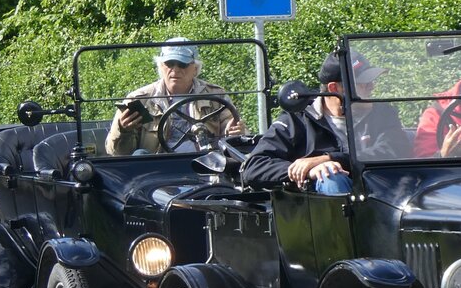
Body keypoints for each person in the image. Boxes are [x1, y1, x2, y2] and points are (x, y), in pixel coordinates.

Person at [243, 50, 409, 193]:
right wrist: (308, 170)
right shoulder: (297, 119)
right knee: (329, 177)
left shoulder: (382, 113)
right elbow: (254, 166)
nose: (372, 86)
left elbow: (394, 150)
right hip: (319, 210)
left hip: (380, 194)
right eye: (363, 83)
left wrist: (329, 158)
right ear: (334, 88)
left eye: (371, 81)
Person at [105, 38, 247, 155]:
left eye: (182, 64)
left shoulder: (215, 95)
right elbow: (115, 152)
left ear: (195, 68)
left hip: (207, 163)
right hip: (159, 168)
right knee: (139, 155)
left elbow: (235, 130)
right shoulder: (140, 99)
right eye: (169, 64)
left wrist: (234, 131)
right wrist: (123, 130)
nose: (175, 69)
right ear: (161, 67)